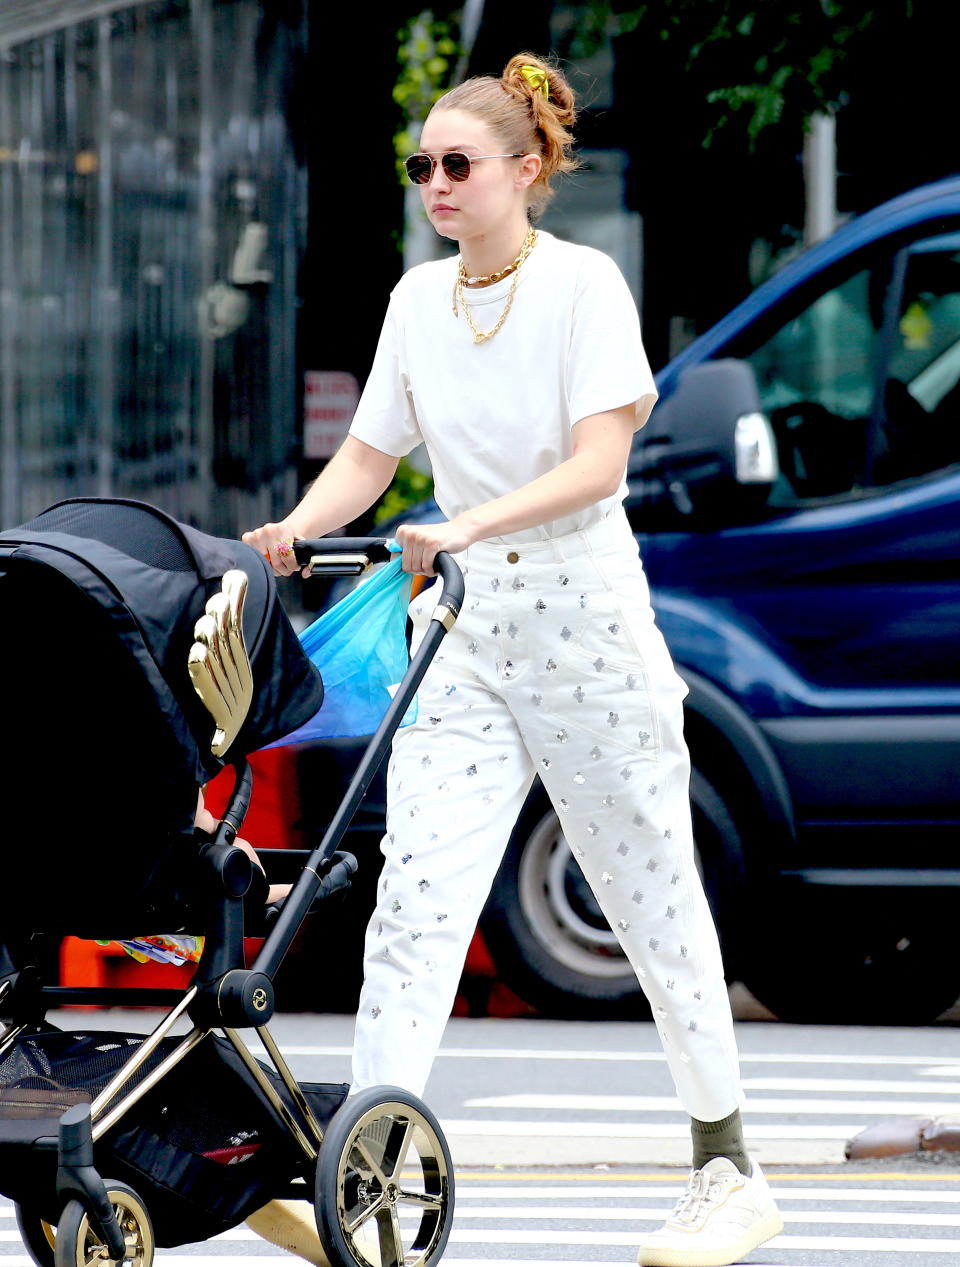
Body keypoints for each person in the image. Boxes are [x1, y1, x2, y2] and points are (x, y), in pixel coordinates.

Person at [244, 52, 782, 1267]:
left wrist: (469, 523)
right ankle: (370, 1173)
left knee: (651, 899)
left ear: (527, 172)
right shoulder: (414, 301)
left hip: (586, 620)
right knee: (415, 900)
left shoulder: (584, 286)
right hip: (467, 633)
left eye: (457, 164)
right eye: (420, 165)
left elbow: (602, 464)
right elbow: (374, 456)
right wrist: (298, 528)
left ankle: (729, 1170)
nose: (434, 183)